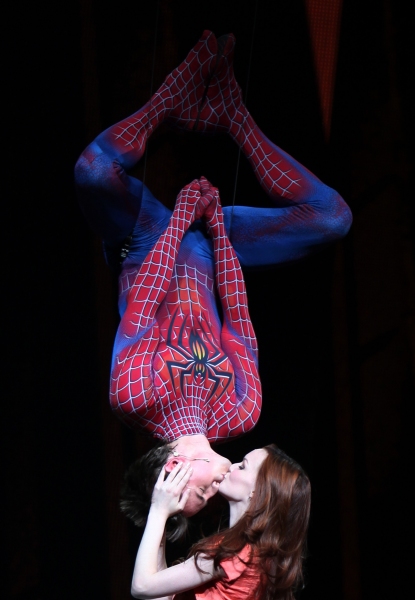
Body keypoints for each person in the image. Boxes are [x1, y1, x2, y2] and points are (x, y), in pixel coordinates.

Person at [74, 30, 352, 521]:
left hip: (145, 242)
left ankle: (169, 99)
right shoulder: (240, 412)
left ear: (173, 471)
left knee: (94, 171)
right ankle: (234, 116)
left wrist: (180, 217)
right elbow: (239, 319)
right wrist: (217, 231)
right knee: (333, 218)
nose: (216, 494)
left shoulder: (135, 398)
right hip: (208, 249)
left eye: (200, 496)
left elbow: (146, 297)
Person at [130, 444, 311, 600]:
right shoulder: (252, 552)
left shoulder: (238, 552)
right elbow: (159, 593)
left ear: (257, 492)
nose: (232, 466)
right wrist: (161, 513)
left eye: (242, 467)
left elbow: (141, 586)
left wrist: (158, 510)